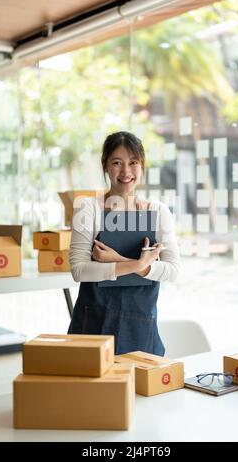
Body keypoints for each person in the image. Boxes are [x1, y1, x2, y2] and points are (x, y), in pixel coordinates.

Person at [68, 131, 180, 356]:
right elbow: (79, 271)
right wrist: (138, 264)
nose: (126, 171)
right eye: (117, 162)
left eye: (133, 162)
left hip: (141, 326)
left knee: (141, 390)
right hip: (94, 324)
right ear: (105, 166)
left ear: (142, 166)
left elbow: (173, 271)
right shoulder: (89, 208)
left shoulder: (157, 211)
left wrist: (117, 259)